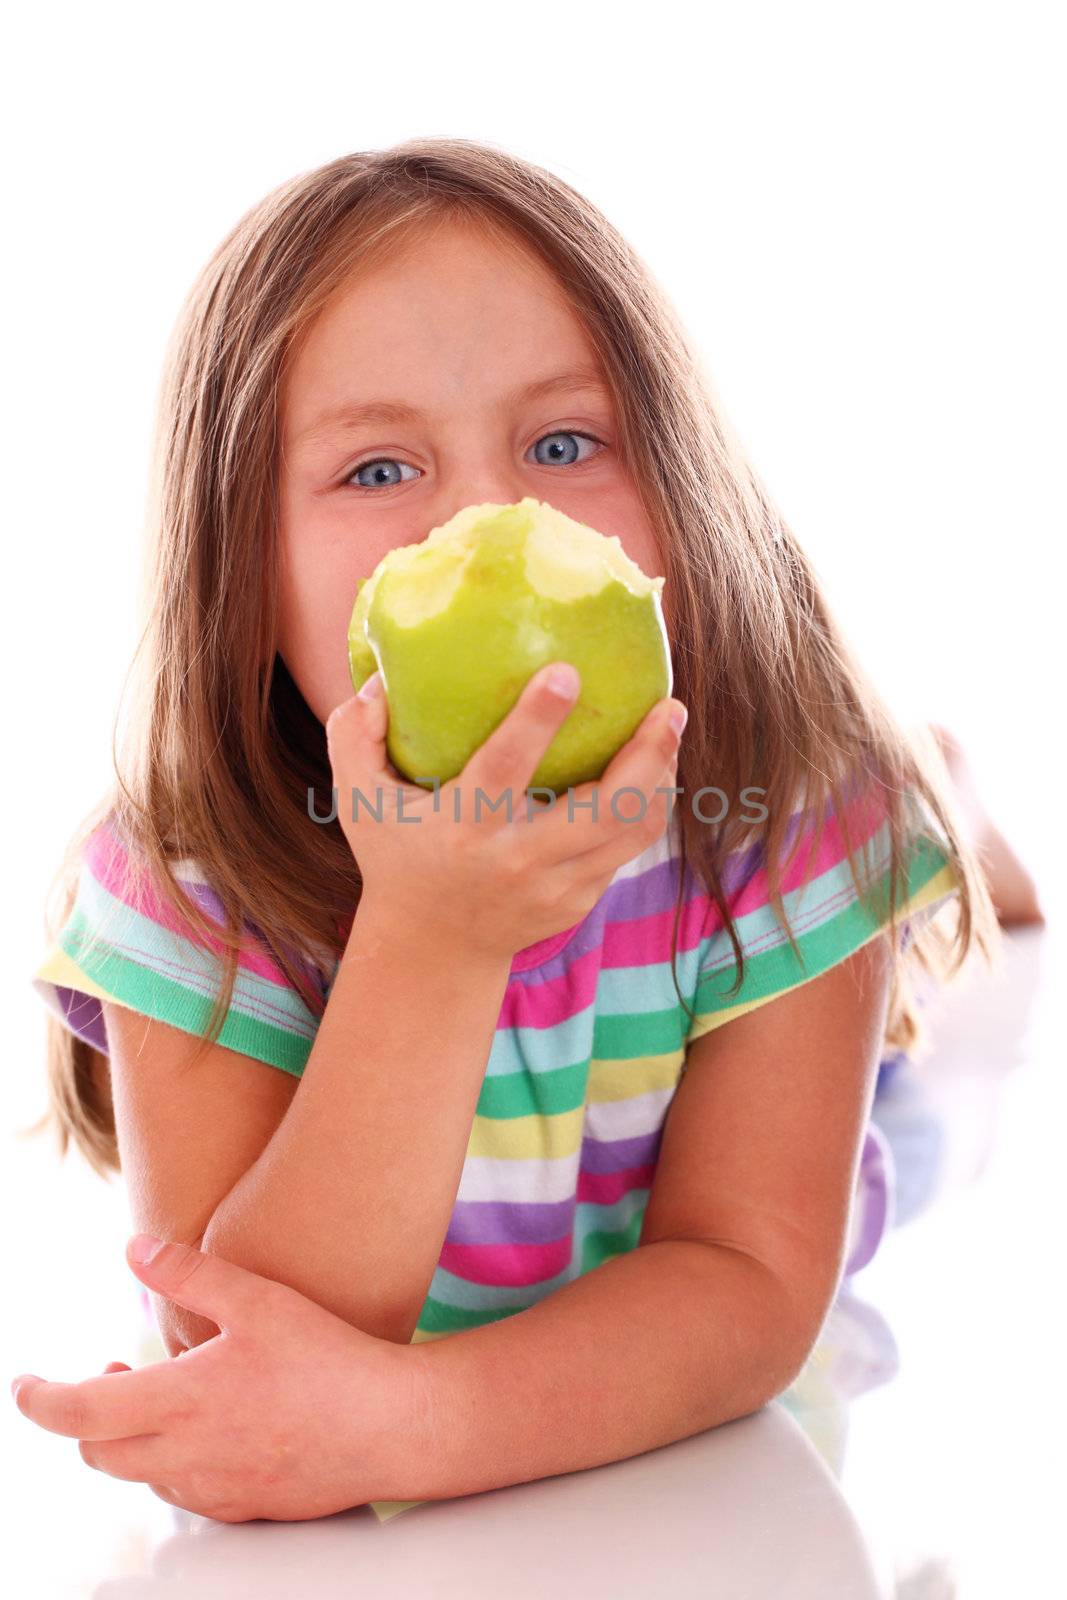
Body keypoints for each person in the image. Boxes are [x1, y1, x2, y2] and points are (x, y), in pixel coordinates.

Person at [12, 138, 1018, 1523]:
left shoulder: (785, 809)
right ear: (242, 577)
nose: (491, 520)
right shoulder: (190, 882)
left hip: (751, 1153)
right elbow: (241, 1344)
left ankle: (949, 792)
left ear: (681, 506)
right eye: (377, 470)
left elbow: (748, 1276)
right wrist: (433, 939)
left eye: (562, 444)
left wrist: (412, 1430)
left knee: (936, 1092)